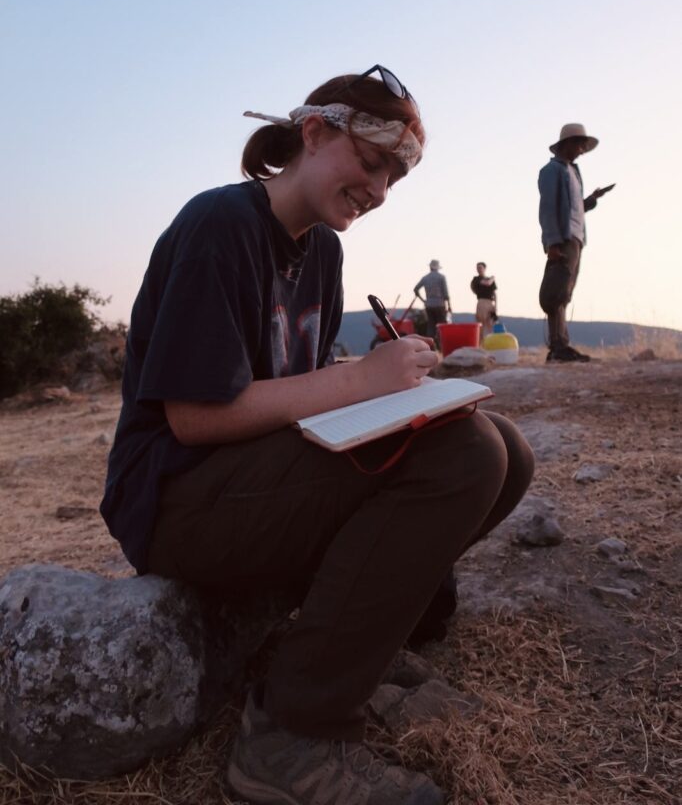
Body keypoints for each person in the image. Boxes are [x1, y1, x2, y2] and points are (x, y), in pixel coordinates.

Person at [101, 65, 535, 805]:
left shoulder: (323, 254)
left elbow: (297, 393)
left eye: (394, 178)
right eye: (370, 164)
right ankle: (291, 735)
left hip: (252, 485)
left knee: (505, 451)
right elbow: (195, 417)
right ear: (314, 132)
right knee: (466, 455)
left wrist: (399, 400)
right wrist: (361, 381)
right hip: (176, 499)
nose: (379, 190)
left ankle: (349, 655)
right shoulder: (220, 226)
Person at [538, 122, 612, 363]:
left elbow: (575, 208)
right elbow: (548, 209)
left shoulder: (573, 172)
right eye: (580, 144)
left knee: (564, 293)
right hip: (563, 238)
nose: (582, 149)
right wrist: (553, 243)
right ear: (567, 144)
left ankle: (561, 345)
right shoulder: (552, 170)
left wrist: (592, 198)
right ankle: (558, 347)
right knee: (556, 292)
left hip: (576, 238)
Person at [413, 259, 451, 342]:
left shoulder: (425, 278)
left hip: (429, 304)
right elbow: (445, 293)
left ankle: (430, 345)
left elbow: (416, 289)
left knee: (431, 326)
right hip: (440, 304)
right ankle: (442, 345)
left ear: (430, 267)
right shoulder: (441, 277)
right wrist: (449, 306)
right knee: (442, 326)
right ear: (437, 268)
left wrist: (423, 300)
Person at [470, 262, 497, 340]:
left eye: (480, 267)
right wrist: (493, 278)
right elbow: (487, 283)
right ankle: (481, 343)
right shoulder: (476, 279)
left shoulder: (490, 279)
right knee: (481, 324)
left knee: (492, 324)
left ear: (484, 268)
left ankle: (491, 342)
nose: (479, 269)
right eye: (477, 268)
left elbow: (494, 293)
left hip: (490, 302)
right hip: (482, 302)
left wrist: (496, 305)